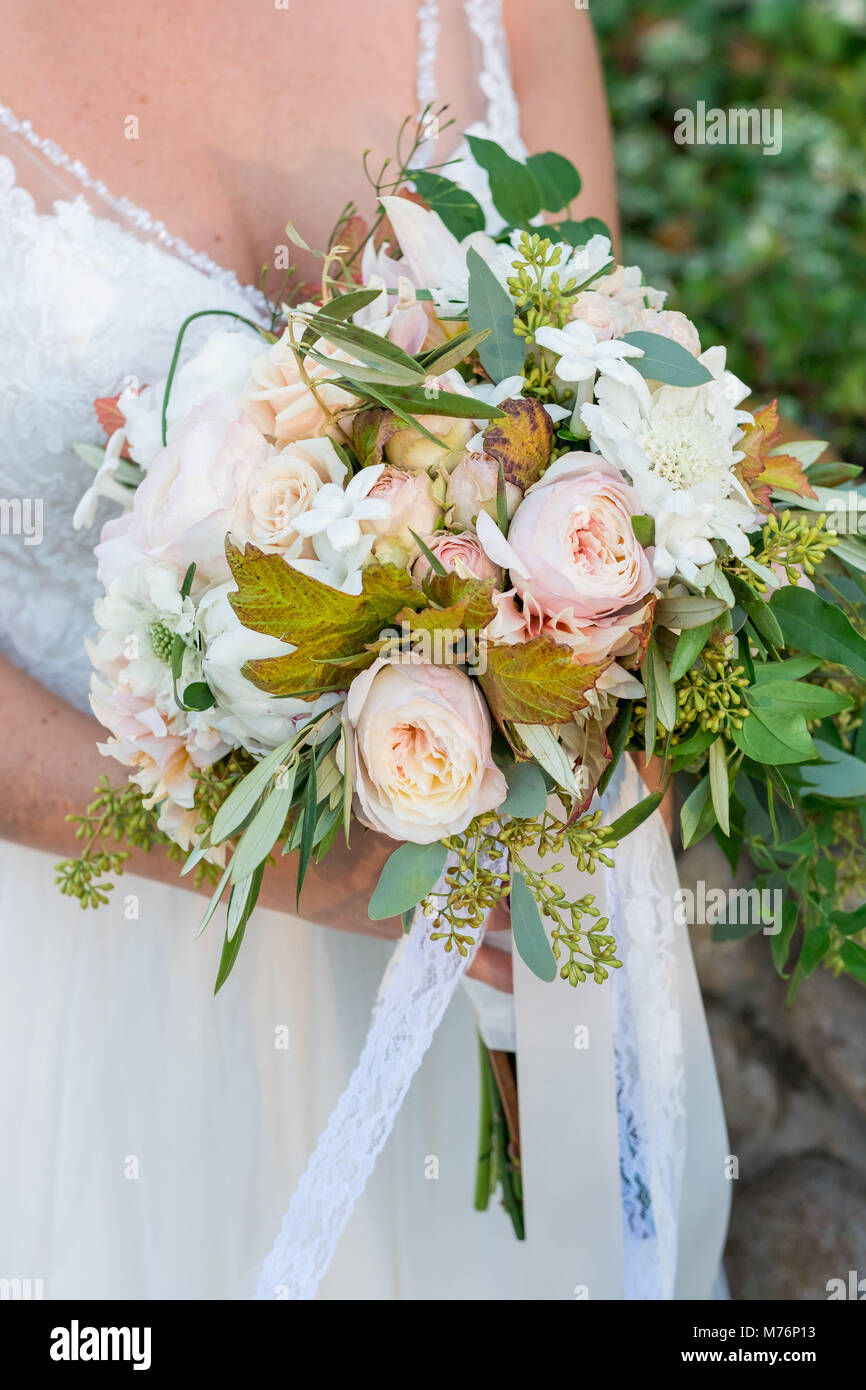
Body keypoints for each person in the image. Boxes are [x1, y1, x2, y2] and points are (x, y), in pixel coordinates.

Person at [0, 0, 726, 1299]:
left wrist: (580, 885)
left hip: (513, 951)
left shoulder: (504, 17)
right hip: (99, 970)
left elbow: (625, 457)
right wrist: (298, 865)